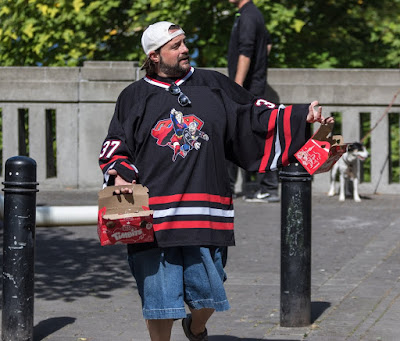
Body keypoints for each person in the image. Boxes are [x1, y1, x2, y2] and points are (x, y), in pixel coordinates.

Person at [98, 21, 332, 341]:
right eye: (175, 46)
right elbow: (115, 143)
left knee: (209, 290)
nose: (185, 50)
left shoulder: (213, 84)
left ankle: (195, 328)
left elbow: (254, 114)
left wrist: (298, 116)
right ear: (153, 56)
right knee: (160, 301)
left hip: (205, 209)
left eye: (184, 42)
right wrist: (119, 169)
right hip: (154, 214)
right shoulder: (133, 96)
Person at [227, 0, 279, 203]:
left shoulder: (248, 16)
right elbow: (267, 44)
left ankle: (267, 188)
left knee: (255, 139)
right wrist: (260, 68)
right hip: (256, 86)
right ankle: (234, 188)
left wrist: (237, 86)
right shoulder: (252, 14)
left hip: (249, 89)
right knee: (238, 136)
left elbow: (246, 52)